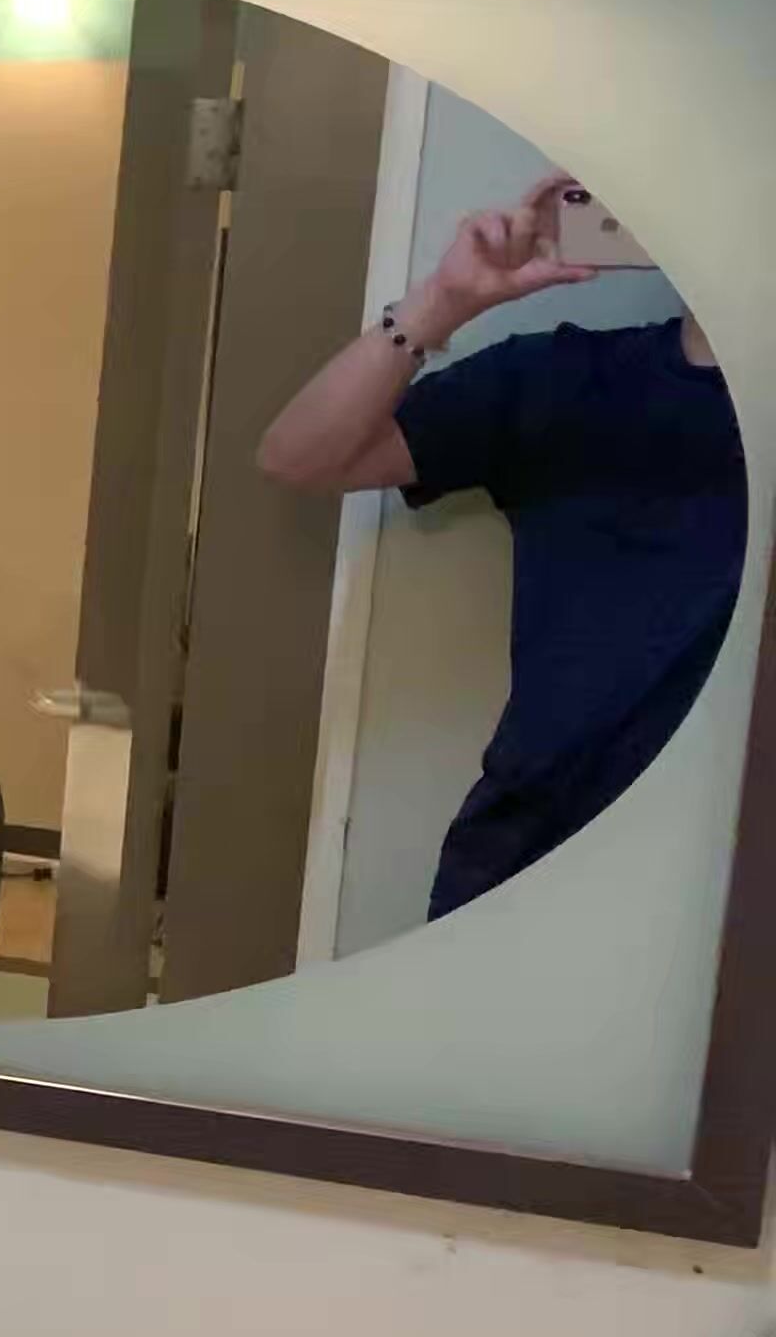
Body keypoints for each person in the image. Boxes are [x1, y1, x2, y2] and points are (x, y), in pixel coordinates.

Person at [256, 172, 744, 923]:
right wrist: (444, 302)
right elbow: (299, 457)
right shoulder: (561, 380)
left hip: (738, 890)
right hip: (536, 855)